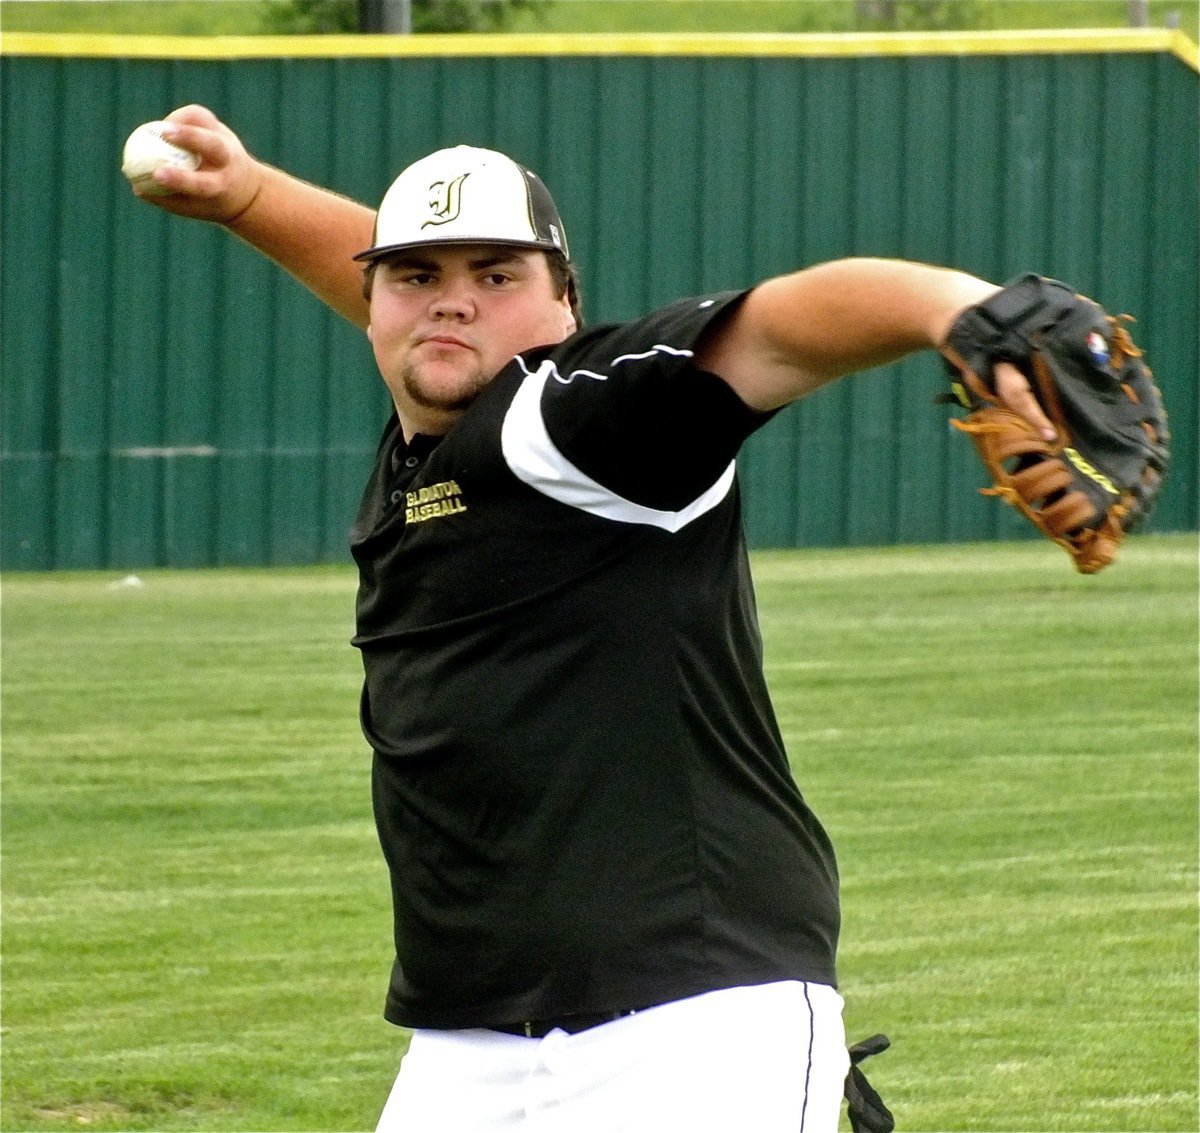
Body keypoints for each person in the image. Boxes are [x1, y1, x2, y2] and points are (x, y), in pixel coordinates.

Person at [131, 105, 1055, 1133]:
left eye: (499, 276)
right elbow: (425, 305)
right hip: (472, 1036)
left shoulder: (573, 420)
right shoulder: (434, 428)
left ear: (564, 306)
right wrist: (249, 197)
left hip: (693, 1022)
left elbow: (780, 328)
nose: (453, 303)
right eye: (416, 277)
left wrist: (959, 311)